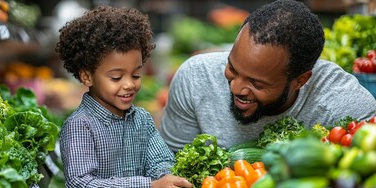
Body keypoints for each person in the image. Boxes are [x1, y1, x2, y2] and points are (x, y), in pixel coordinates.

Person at [159, 0, 376, 153]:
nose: (237, 88)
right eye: (233, 68)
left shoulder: (347, 107)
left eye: (256, 83)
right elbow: (169, 169)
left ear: (301, 80)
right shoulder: (195, 78)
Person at [55, 6, 192, 188]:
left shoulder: (143, 120)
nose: (129, 84)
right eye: (117, 77)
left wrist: (166, 178)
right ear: (87, 76)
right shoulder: (80, 125)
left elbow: (159, 159)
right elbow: (82, 187)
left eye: (136, 74)